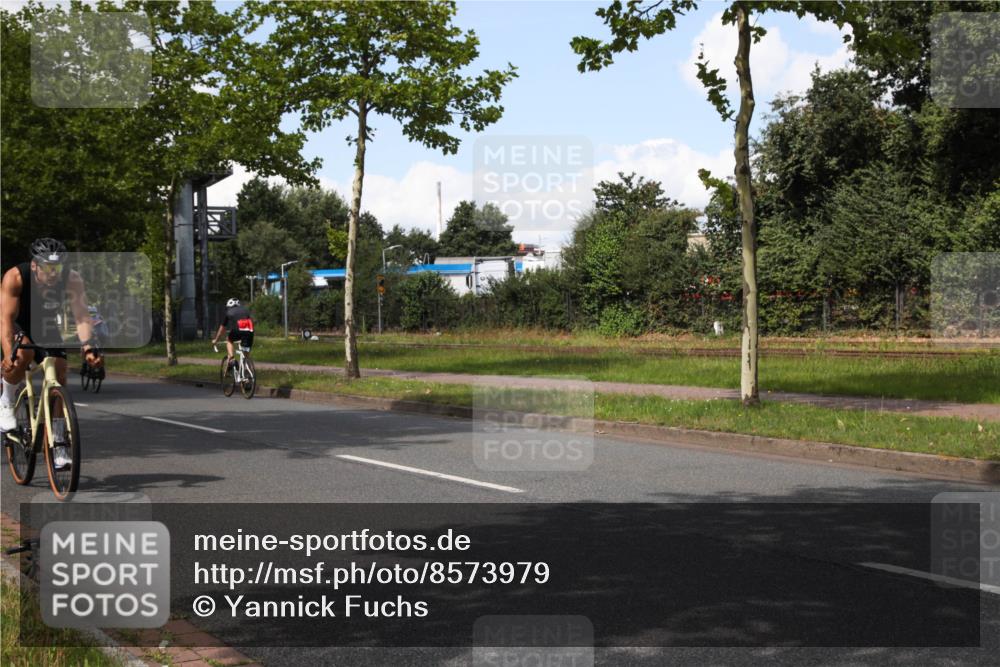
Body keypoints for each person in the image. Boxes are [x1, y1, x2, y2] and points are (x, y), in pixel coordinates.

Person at [0, 239, 103, 468]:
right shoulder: (15, 277)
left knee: (60, 373)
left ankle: (58, 440)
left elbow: (82, 316)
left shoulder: (71, 278)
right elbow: (5, 319)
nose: (53, 272)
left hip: (46, 324)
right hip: (17, 323)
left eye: (57, 267)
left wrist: (87, 345)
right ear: (35, 265)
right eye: (48, 267)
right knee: (22, 356)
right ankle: (6, 400)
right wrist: (9, 353)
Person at [211, 298, 254, 366]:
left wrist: (216, 340)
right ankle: (248, 370)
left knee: (229, 340)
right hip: (249, 331)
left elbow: (222, 329)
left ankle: (232, 358)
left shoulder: (229, 312)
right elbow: (251, 322)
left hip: (237, 330)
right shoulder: (245, 310)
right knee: (246, 353)